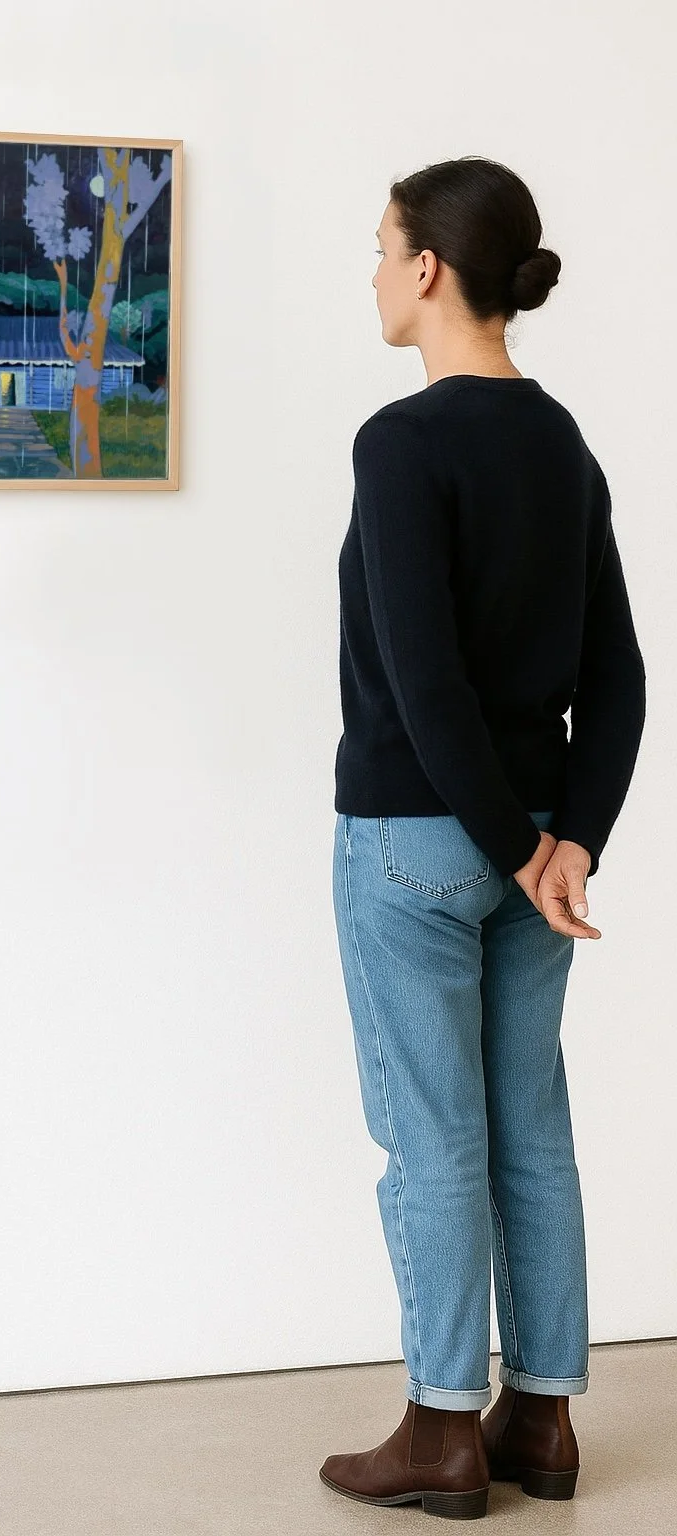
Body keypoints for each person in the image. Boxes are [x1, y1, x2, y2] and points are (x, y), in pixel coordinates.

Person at [318, 157, 647, 1522]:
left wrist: (516, 844)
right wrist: (567, 843)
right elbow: (622, 675)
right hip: (534, 863)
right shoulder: (563, 440)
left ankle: (443, 1429)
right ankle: (547, 1420)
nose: (376, 272)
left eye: (384, 248)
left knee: (437, 1142)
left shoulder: (403, 444)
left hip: (415, 839)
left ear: (431, 270)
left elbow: (424, 676)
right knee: (533, 1135)